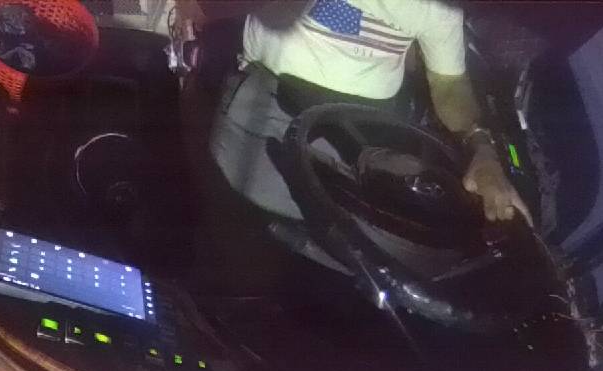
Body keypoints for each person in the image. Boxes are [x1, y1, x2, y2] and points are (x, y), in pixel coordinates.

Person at [198, 0, 533, 229]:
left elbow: (449, 85)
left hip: (366, 130)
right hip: (268, 99)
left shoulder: (440, 6)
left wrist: (481, 147)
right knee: (243, 230)